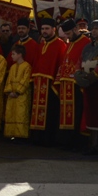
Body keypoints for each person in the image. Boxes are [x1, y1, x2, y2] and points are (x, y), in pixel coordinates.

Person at [74, 20, 98, 155]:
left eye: (97, 28)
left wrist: (92, 77)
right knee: (91, 115)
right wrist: (78, 74)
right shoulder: (88, 47)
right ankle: (94, 144)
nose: (94, 31)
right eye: (92, 28)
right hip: (89, 86)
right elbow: (79, 61)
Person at [29, 17, 66, 145]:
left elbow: (61, 64)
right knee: (37, 111)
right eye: (43, 29)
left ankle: (48, 139)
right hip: (38, 83)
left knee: (50, 112)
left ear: (53, 29)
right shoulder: (42, 44)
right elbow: (36, 62)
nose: (44, 31)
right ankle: (37, 138)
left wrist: (56, 82)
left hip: (51, 85)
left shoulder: (60, 44)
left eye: (47, 29)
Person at [56, 19, 89, 149]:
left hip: (76, 85)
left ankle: (76, 143)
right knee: (65, 114)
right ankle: (66, 141)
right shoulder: (70, 43)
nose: (68, 37)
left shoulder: (86, 43)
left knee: (76, 113)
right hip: (66, 85)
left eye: (69, 33)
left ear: (76, 29)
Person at [3, 45, 33, 138]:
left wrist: (18, 92)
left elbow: (25, 80)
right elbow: (9, 80)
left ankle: (21, 135)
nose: (11, 56)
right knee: (10, 113)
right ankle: (11, 134)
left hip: (21, 95)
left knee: (21, 114)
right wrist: (9, 91)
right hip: (12, 95)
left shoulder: (27, 66)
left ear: (20, 55)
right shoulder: (12, 67)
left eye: (13, 54)